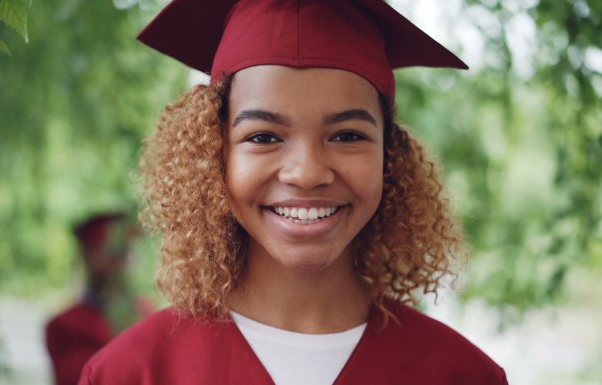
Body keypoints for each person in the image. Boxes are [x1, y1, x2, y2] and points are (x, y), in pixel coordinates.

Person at [79, 0, 508, 384]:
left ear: (390, 156)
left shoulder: (460, 374)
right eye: (264, 137)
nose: (306, 173)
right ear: (215, 154)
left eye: (346, 136)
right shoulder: (131, 373)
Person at [46, 212, 152, 385]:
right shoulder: (64, 325)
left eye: (125, 252)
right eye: (112, 252)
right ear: (88, 254)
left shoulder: (145, 311)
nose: (121, 260)